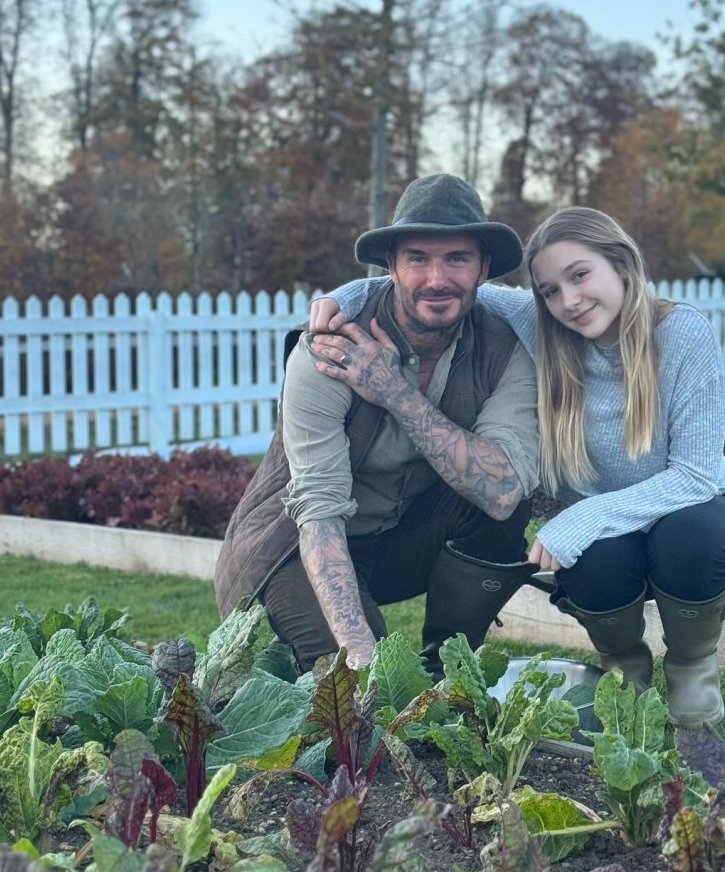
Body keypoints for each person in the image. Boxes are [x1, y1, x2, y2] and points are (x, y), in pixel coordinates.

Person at [314, 206, 725, 728]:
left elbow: (696, 475)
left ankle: (691, 670)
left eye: (580, 275)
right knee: (597, 563)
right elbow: (425, 289)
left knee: (693, 536)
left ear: (621, 264)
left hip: (692, 507)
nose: (569, 301)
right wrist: (334, 300)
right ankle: (625, 673)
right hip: (605, 529)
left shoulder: (681, 333)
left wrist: (582, 518)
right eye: (549, 290)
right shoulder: (542, 325)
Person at [214, 173, 540, 675]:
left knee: (505, 508)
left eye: (457, 258)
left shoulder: (504, 349)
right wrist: (360, 650)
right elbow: (318, 510)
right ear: (390, 266)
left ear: (483, 268)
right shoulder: (328, 348)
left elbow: (503, 490)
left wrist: (394, 393)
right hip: (293, 548)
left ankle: (449, 667)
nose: (437, 278)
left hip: (396, 543)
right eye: (418, 258)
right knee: (366, 685)